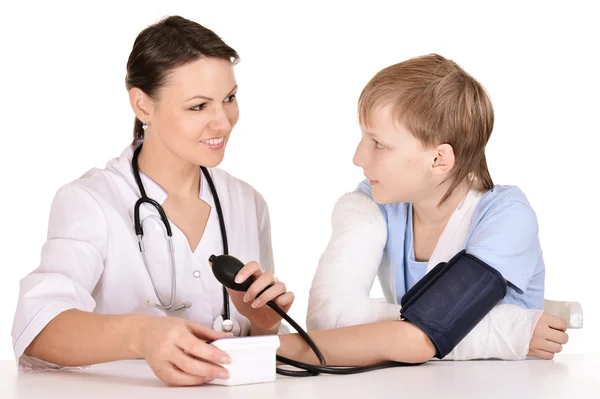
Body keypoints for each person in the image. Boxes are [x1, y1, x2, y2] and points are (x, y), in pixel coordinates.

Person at [11, 15, 295, 387]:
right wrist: (142, 334)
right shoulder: (90, 201)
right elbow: (37, 329)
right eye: (198, 106)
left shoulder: (246, 202)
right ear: (143, 105)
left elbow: (263, 348)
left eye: (229, 98)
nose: (223, 122)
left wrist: (264, 320)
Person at [304, 54, 570, 362]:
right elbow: (328, 319)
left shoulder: (507, 217)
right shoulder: (372, 204)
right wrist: (505, 331)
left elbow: (426, 335)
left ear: (439, 160)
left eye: (378, 143)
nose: (358, 158)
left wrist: (271, 352)